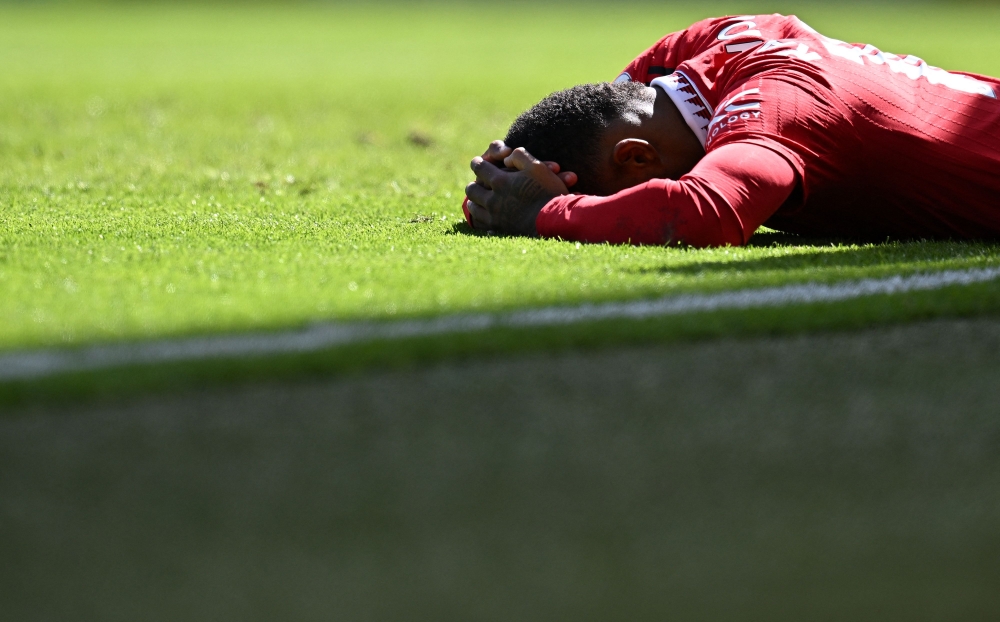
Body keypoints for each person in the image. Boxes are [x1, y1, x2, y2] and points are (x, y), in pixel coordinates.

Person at [463, 14, 1000, 247]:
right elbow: (600, 109)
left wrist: (541, 212)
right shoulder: (694, 54)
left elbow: (704, 214)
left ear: (636, 161)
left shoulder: (775, 112)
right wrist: (507, 173)